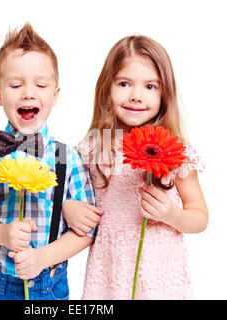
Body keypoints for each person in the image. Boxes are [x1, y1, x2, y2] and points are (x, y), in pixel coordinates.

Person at [0, 23, 102, 300]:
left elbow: (88, 230)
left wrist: (44, 257)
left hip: (50, 286)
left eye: (40, 84)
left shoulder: (68, 159)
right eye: (16, 85)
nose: (28, 92)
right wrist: (2, 235)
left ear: (54, 96)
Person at [63, 35, 208, 299]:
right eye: (124, 83)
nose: (136, 96)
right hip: (110, 272)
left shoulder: (176, 150)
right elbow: (63, 196)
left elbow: (199, 217)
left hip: (159, 274)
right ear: (107, 87)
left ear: (166, 92)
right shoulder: (94, 148)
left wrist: (172, 215)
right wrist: (68, 208)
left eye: (150, 86)